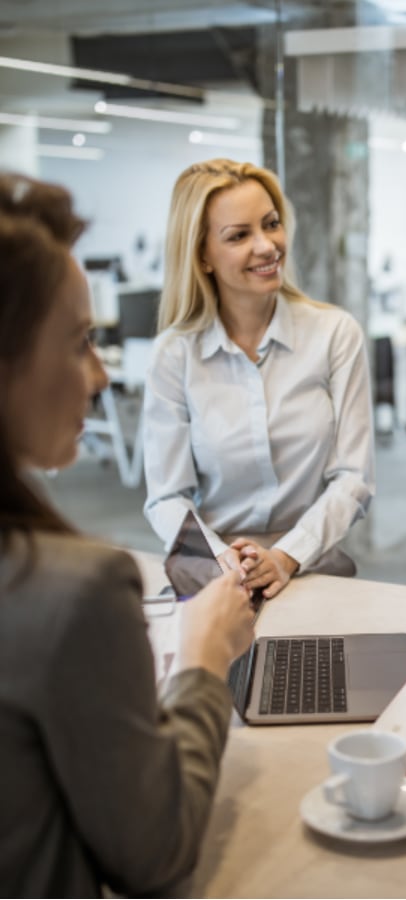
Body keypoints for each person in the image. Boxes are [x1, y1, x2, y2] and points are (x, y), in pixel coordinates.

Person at [0, 173, 256, 896]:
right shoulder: (70, 590)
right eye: (79, 341)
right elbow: (154, 850)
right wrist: (205, 654)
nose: (99, 375)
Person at [143, 159, 374, 599]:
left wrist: (286, 556)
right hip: (217, 576)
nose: (267, 246)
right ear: (202, 255)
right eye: (239, 235)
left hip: (312, 570)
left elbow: (353, 478)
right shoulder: (175, 354)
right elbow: (167, 497)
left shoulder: (334, 334)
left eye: (271, 224)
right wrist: (222, 560)